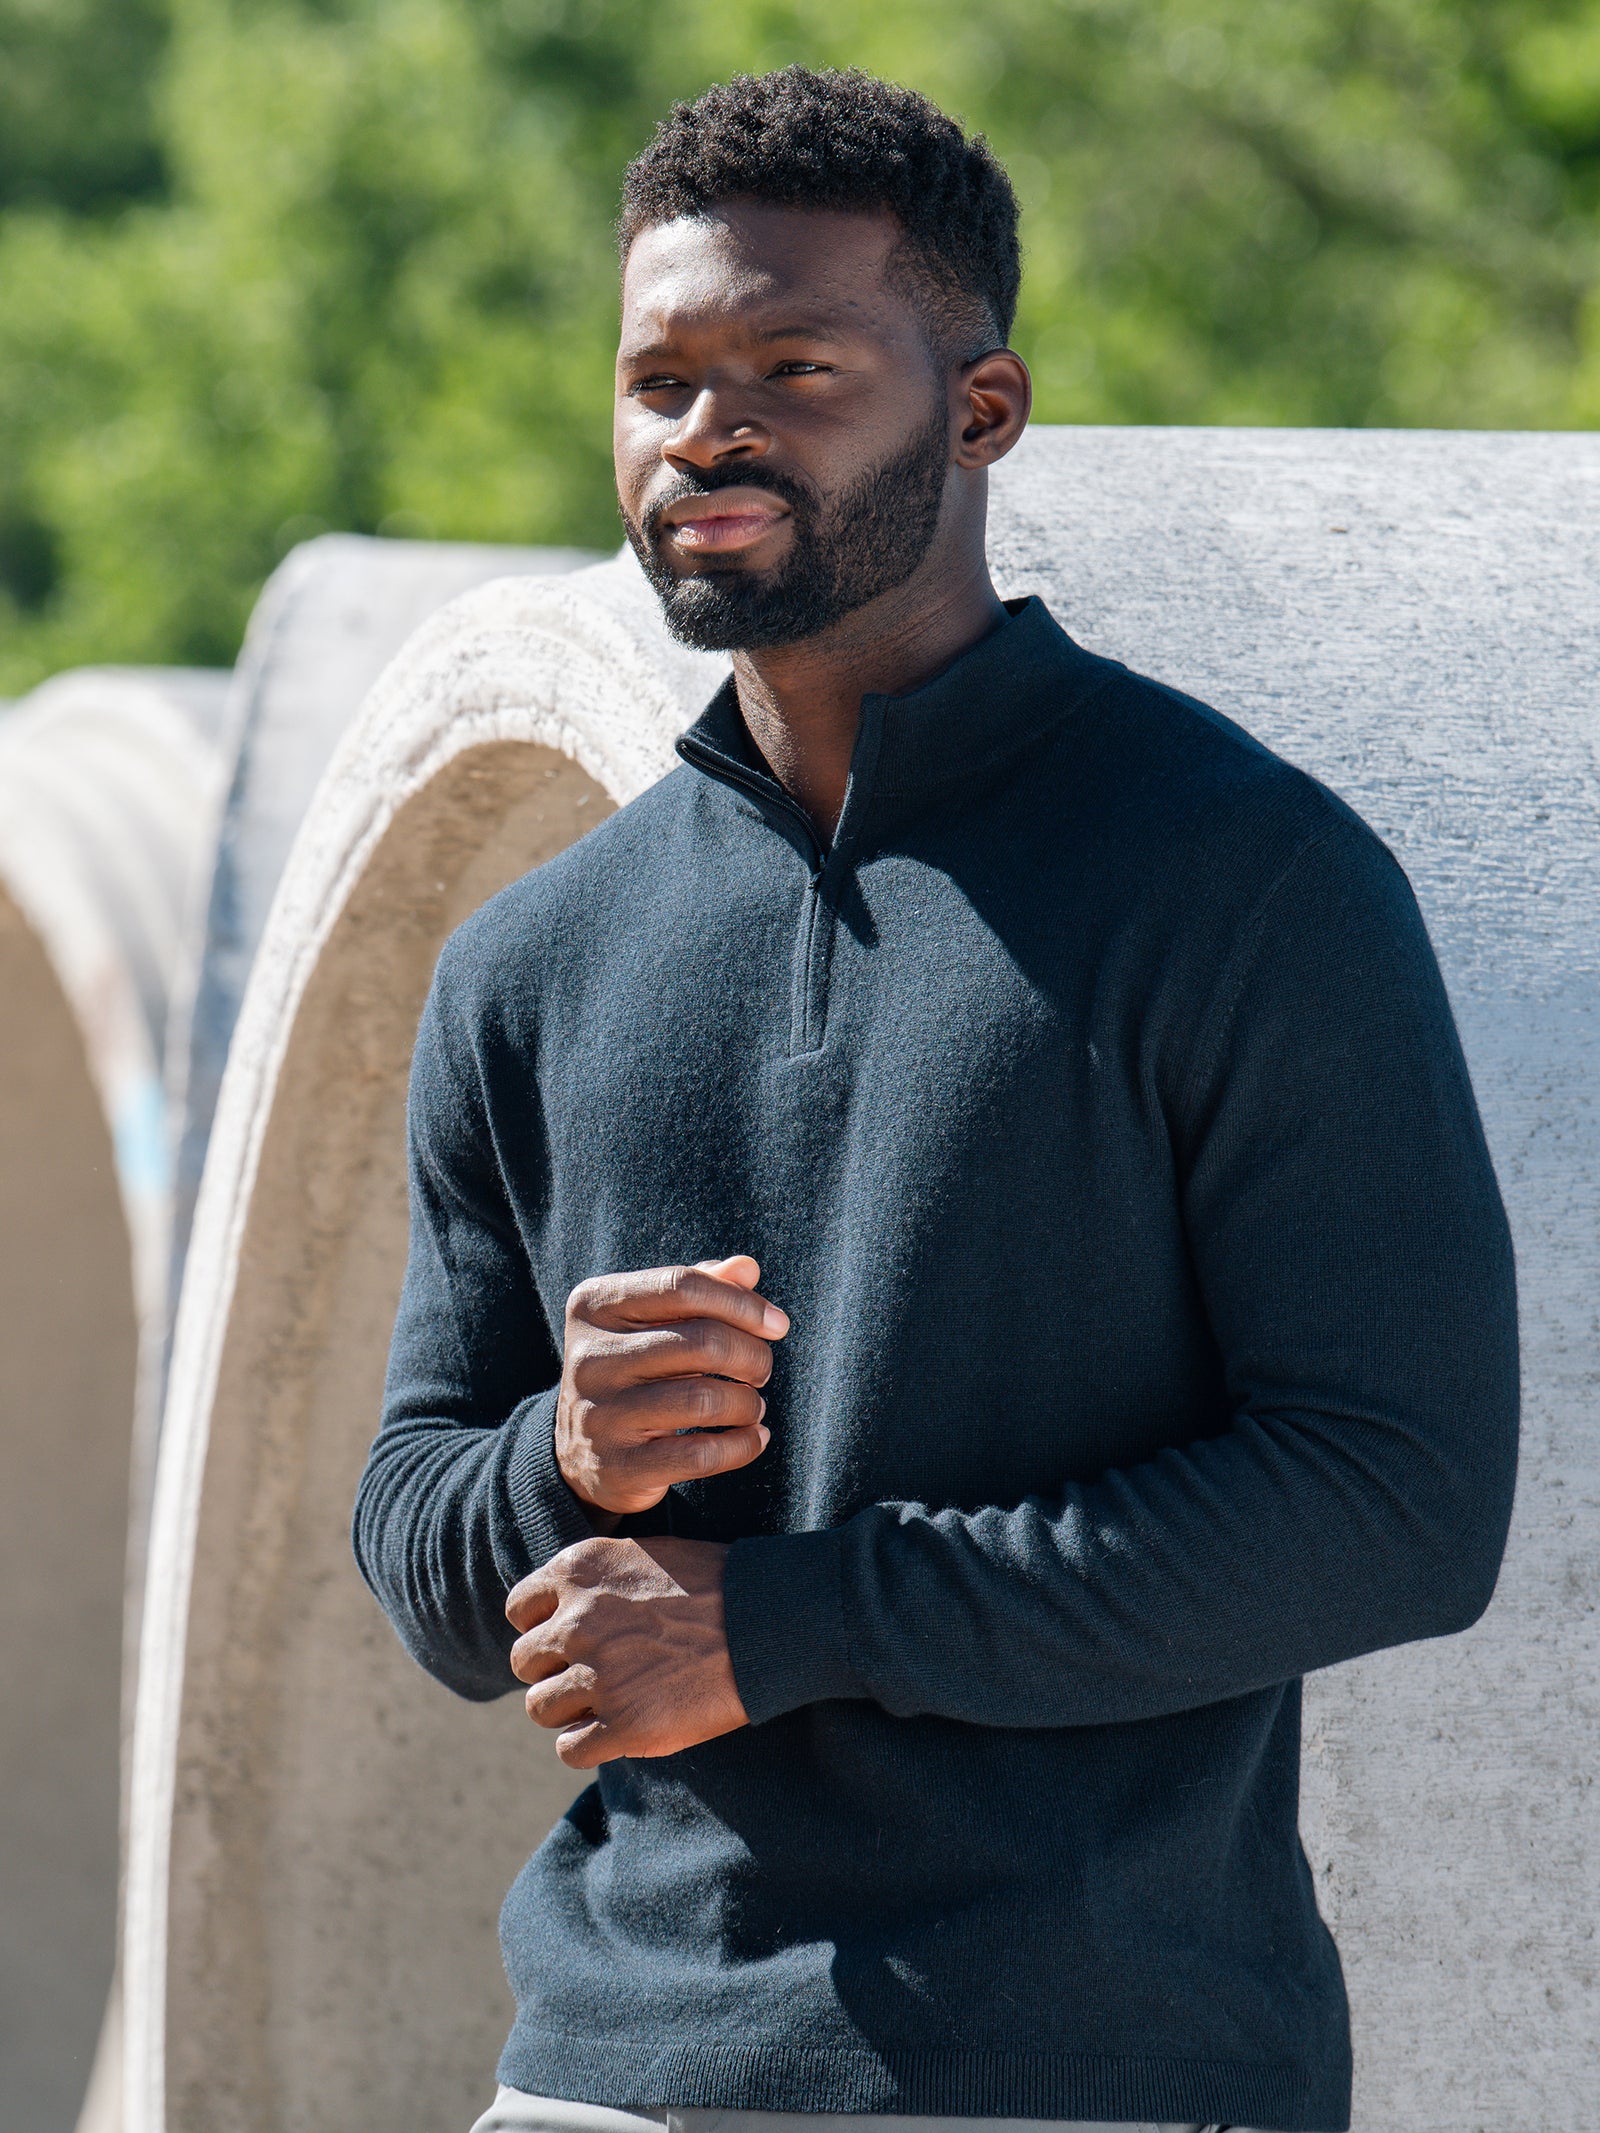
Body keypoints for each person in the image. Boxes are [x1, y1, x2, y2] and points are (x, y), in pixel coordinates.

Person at [353, 66, 1519, 2133]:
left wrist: (784, 1620)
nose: (702, 430)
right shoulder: (530, 961)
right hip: (602, 2071)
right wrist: (565, 1455)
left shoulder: (1235, 875)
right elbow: (421, 1543)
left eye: (790, 364)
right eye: (656, 376)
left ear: (977, 411)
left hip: (1087, 2066)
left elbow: (1394, 1506)